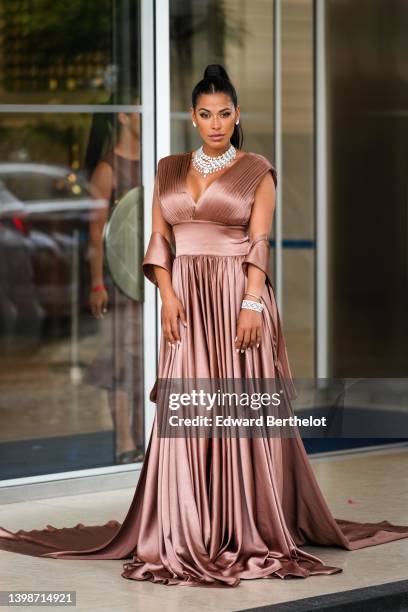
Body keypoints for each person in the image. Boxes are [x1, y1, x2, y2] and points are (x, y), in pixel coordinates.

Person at [0, 64, 408, 588]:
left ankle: (244, 518)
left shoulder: (257, 169)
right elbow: (158, 239)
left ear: (237, 116)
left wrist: (252, 305)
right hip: (187, 302)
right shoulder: (168, 170)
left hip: (239, 297)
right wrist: (167, 294)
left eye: (225, 114)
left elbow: (259, 243)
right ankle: (190, 520)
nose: (216, 122)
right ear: (193, 118)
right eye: (205, 114)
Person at [84, 106, 144, 464]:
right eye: (139, 112)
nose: (146, 119)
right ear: (122, 116)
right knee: (121, 360)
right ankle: (124, 443)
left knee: (143, 360)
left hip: (150, 279)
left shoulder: (155, 159)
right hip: (119, 279)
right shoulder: (107, 169)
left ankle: (142, 436)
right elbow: (95, 235)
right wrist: (96, 284)